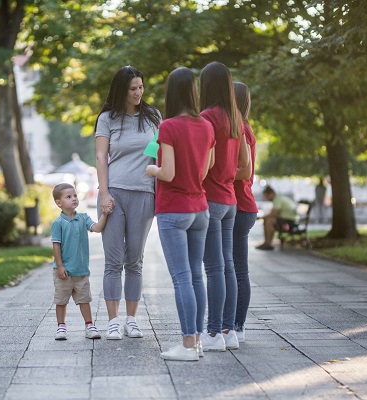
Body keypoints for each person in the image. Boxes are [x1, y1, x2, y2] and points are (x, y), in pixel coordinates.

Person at [146, 67, 215, 361]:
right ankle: (197, 342)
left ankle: (187, 346)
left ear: (170, 92)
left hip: (174, 209)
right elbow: (206, 168)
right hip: (200, 208)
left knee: (182, 278)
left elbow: (168, 172)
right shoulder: (207, 126)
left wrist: (152, 169)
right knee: (196, 276)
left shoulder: (169, 126)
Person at [95, 65, 162, 340]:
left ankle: (131, 320)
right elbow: (101, 158)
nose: (138, 93)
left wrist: (161, 192)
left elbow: (158, 154)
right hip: (114, 194)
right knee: (113, 261)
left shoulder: (153, 116)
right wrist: (104, 194)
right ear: (121, 90)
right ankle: (112, 321)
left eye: (141, 87)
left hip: (144, 193)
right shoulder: (107, 118)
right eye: (132, 89)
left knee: (135, 260)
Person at [199, 61, 249, 352]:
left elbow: (207, 161)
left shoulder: (206, 117)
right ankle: (229, 330)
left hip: (211, 199)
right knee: (228, 266)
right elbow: (245, 165)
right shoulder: (235, 119)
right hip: (231, 200)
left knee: (214, 269)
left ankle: (214, 332)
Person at [51, 183, 111, 341]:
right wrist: (60, 266)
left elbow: (97, 228)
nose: (74, 199)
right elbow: (56, 246)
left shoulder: (83, 218)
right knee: (61, 300)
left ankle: (89, 325)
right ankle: (61, 327)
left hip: (81, 270)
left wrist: (104, 215)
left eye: (75, 196)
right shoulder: (58, 223)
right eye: (68, 197)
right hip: (63, 272)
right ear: (59, 203)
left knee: (84, 300)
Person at [232, 82, 257, 343]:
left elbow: (245, 170)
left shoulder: (241, 129)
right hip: (243, 205)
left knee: (237, 270)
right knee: (236, 269)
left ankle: (238, 324)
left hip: (240, 206)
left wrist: (217, 175)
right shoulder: (243, 128)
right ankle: (235, 324)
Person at [256, 185, 299, 250]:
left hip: (289, 222)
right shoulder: (279, 198)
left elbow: (273, 214)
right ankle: (267, 243)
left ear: (271, 194)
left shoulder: (277, 200)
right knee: (267, 220)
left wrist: (260, 218)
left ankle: (268, 243)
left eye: (266, 196)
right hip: (288, 220)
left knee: (268, 222)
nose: (266, 198)